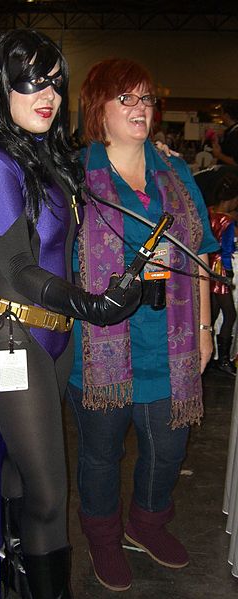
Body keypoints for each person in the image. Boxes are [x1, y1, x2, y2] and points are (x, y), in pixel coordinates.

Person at [0, 31, 142, 599]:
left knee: (16, 471)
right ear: (2, 86)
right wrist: (89, 304)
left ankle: (9, 574)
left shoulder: (43, 156)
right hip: (13, 335)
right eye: (32, 80)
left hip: (53, 339)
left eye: (54, 82)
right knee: (47, 493)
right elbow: (15, 271)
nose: (48, 95)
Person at [64, 58, 219, 592]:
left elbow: (198, 255)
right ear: (97, 109)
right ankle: (104, 537)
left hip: (170, 341)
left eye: (146, 98)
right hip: (99, 345)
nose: (140, 108)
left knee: (168, 450)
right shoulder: (73, 175)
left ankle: (146, 525)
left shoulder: (174, 173)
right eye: (125, 98)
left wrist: (204, 331)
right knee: (102, 454)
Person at [195, 167, 238, 376]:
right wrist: (228, 275)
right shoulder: (228, 221)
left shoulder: (208, 211)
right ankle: (223, 359)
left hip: (207, 266)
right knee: (230, 314)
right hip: (220, 269)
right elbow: (228, 249)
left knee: (211, 314)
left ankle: (207, 355)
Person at [212, 100, 238, 166]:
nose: (221, 116)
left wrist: (218, 155)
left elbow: (236, 163)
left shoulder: (235, 134)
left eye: (221, 113)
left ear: (227, 116)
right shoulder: (230, 132)